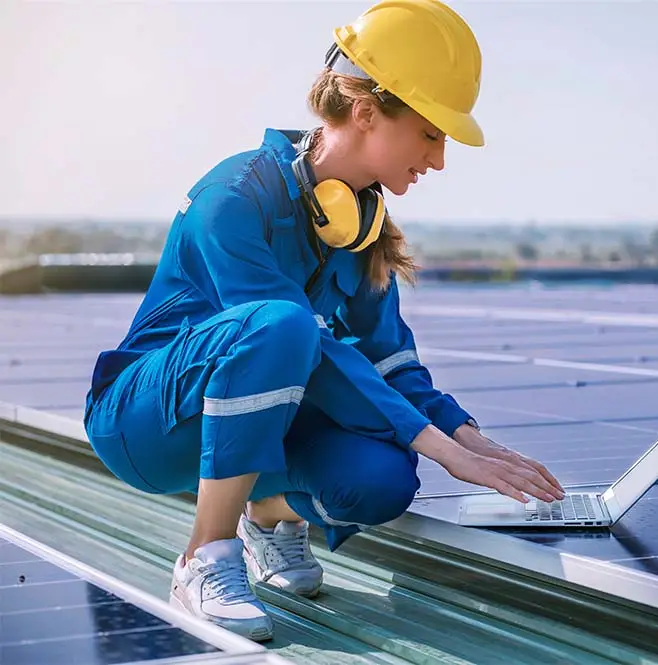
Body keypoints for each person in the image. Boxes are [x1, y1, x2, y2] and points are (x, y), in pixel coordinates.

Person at [83, 0, 564, 642]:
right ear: (366, 111)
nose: (440, 160)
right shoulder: (232, 197)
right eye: (430, 133)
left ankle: (268, 516)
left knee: (382, 481)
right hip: (147, 424)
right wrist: (440, 446)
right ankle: (205, 554)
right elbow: (299, 340)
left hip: (258, 427)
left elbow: (390, 359)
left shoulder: (362, 226)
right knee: (284, 325)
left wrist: (466, 435)